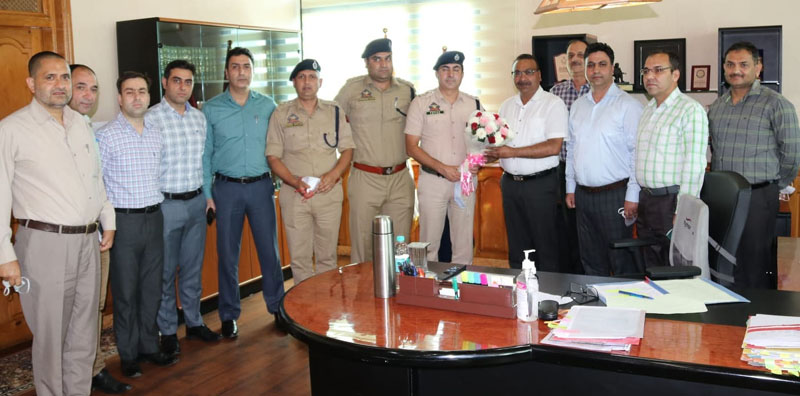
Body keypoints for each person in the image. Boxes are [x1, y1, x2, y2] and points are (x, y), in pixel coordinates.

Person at [0, 51, 115, 395]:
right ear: (31, 83)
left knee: (83, 332)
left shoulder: (81, 123)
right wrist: (5, 254)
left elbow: (95, 177)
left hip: (88, 241)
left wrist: (106, 216)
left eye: (64, 77)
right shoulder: (11, 129)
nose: (59, 84)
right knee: (51, 339)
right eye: (49, 77)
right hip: (44, 244)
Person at [97, 71, 178, 378]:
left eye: (142, 91)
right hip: (124, 222)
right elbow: (98, 185)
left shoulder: (157, 133)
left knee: (152, 288)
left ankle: (148, 346)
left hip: (154, 217)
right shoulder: (105, 136)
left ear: (149, 96)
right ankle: (128, 353)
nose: (137, 97)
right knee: (126, 291)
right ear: (119, 98)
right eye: (129, 92)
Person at [202, 47, 285, 337]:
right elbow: (205, 154)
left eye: (246, 66)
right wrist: (206, 194)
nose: (240, 71)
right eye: (235, 66)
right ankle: (228, 314)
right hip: (226, 189)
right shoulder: (211, 109)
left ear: (252, 71)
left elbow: (278, 147)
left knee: (269, 253)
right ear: (226, 72)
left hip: (261, 187)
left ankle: (277, 308)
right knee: (227, 253)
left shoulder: (267, 105)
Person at [708, 41, 800, 288]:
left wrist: (775, 185)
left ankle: (754, 318)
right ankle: (726, 319)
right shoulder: (717, 106)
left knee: (753, 264)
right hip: (722, 200)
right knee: (722, 261)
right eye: (730, 64)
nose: (735, 70)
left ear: (758, 68)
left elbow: (792, 153)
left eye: (743, 64)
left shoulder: (776, 104)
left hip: (758, 197)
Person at [146, 60, 221, 357]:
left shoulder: (198, 119)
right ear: (164, 82)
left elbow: (203, 164)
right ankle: (167, 331)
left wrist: (208, 196)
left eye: (187, 81)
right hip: (165, 205)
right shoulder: (151, 118)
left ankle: (193, 321)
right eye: (176, 80)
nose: (182, 86)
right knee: (165, 272)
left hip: (195, 204)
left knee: (192, 268)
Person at [67, 63, 131, 394]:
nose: (88, 95)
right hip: (62, 238)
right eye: (80, 87)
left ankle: (92, 369)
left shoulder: (94, 130)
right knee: (66, 311)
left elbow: (100, 184)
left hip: (96, 235)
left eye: (93, 89)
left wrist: (109, 224)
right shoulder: (56, 132)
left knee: (93, 306)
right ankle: (68, 374)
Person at [267, 59, 354, 283]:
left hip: (328, 195)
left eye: (312, 77)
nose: (307, 82)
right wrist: (294, 181)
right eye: (302, 77)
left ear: (320, 82)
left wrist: (334, 176)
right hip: (295, 197)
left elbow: (347, 150)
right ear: (294, 82)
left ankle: (326, 313)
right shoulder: (281, 113)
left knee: (328, 258)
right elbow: (273, 157)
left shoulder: (334, 111)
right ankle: (303, 314)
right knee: (300, 259)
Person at [335, 37, 415, 264]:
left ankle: (399, 293)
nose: (383, 64)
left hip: (400, 177)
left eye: (387, 59)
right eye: (377, 59)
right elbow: (330, 121)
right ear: (366, 63)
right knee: (363, 247)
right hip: (365, 177)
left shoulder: (408, 91)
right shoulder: (351, 90)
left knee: (401, 246)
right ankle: (363, 296)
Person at [565, 42, 643, 276]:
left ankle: (625, 311)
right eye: (591, 65)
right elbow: (572, 149)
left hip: (616, 195)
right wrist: (570, 187)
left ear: (612, 68)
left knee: (621, 261)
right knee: (590, 259)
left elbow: (637, 154)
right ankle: (594, 309)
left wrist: (632, 195)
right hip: (583, 196)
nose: (596, 70)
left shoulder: (628, 105)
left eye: (602, 64)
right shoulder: (578, 106)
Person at [485, 54, 566, 270]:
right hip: (509, 184)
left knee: (545, 247)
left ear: (539, 75)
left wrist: (512, 152)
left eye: (529, 72)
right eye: (517, 73)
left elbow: (553, 146)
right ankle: (519, 294)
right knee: (517, 246)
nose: (523, 77)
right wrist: (492, 153)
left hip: (540, 185)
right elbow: (501, 144)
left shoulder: (553, 104)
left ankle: (549, 298)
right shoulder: (506, 106)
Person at [405, 50, 483, 265]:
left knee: (463, 245)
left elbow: (484, 142)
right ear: (437, 74)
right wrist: (442, 168)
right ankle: (427, 290)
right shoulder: (421, 103)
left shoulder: (474, 104)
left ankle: (461, 290)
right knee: (429, 244)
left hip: (465, 181)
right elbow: (411, 147)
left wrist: (475, 164)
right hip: (433, 182)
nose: (451, 74)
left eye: (456, 69)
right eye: (445, 69)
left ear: (462, 74)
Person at [635, 50, 708, 267]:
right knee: (650, 266)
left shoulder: (690, 110)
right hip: (647, 200)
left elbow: (694, 165)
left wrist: (682, 210)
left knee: (673, 266)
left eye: (658, 70)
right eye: (646, 71)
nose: (650, 76)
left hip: (671, 201)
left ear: (675, 75)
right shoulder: (648, 110)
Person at [550, 39, 590, 274]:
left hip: (586, 172)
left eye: (580, 55)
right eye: (571, 55)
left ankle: (586, 273)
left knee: (586, 228)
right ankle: (567, 274)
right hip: (561, 170)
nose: (575, 59)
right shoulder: (556, 92)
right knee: (564, 229)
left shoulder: (595, 91)